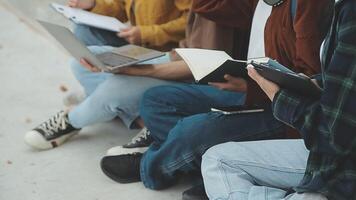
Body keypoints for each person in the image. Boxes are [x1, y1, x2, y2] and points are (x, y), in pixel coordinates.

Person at [98, 0, 333, 198]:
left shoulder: (307, 5)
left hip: (280, 109)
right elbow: (206, 6)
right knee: (156, 100)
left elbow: (308, 77)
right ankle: (193, 160)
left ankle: (151, 167)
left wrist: (254, 84)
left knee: (193, 130)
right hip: (248, 89)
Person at [23, 1, 248, 154]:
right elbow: (120, 7)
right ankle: (138, 116)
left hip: (183, 67)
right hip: (169, 56)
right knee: (80, 62)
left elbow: (199, 64)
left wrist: (143, 66)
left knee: (114, 88)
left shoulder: (216, 10)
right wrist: (92, 5)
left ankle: (72, 119)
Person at [201, 0, 356, 199]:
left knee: (197, 132)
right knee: (216, 158)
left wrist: (277, 95)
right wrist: (314, 83)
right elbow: (342, 83)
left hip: (342, 163)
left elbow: (334, 134)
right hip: (329, 147)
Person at [68, 0, 190, 50]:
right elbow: (120, 10)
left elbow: (194, 22)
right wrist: (93, 5)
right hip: (139, 44)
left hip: (170, 53)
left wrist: (146, 34)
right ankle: (100, 88)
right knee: (84, 31)